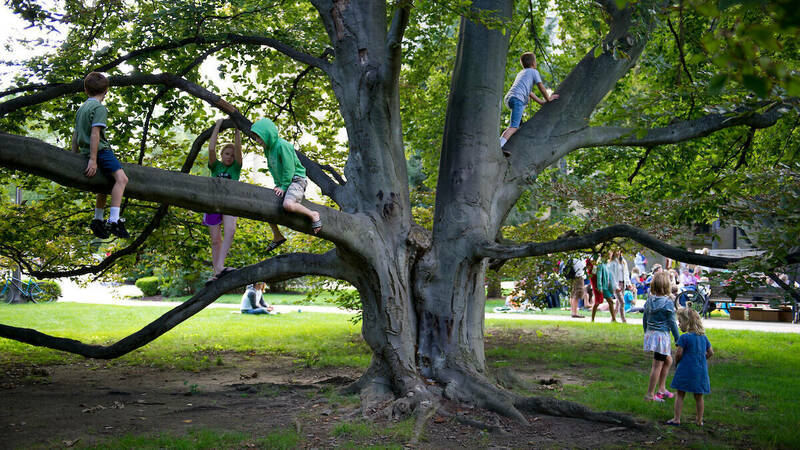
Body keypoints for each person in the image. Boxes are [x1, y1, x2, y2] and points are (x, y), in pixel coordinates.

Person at [72, 72, 130, 239]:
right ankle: (114, 220)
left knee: (106, 184)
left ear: (85, 90)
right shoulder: (99, 108)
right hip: (101, 151)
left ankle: (98, 219)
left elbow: (75, 135)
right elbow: (95, 134)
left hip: (85, 150)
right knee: (122, 179)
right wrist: (93, 158)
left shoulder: (82, 108)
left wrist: (73, 155)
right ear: (106, 91)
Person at [250, 118, 322, 237]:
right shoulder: (268, 149)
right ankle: (277, 236)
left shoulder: (282, 145)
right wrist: (278, 185)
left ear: (267, 133)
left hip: (296, 179)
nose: (257, 140)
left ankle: (313, 214)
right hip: (285, 182)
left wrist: (283, 187)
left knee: (288, 205)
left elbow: (289, 169)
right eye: (255, 137)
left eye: (259, 137)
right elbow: (273, 168)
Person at [203, 119, 242, 284]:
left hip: (230, 204)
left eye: (232, 155)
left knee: (231, 230)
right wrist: (218, 126)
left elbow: (238, 149)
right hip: (213, 204)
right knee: (215, 240)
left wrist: (237, 129)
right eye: (227, 153)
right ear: (222, 154)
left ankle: (220, 267)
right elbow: (211, 148)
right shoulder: (215, 166)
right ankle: (216, 272)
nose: (230, 157)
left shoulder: (235, 168)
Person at [499, 52, 559, 156]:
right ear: (533, 63)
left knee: (516, 124)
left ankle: (514, 131)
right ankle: (498, 146)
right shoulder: (534, 72)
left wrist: (541, 102)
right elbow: (541, 87)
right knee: (513, 127)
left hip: (510, 98)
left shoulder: (522, 73)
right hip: (517, 99)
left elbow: (529, 93)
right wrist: (548, 99)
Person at [667, 306, 713, 426]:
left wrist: (677, 362)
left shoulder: (684, 337)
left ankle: (677, 418)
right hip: (700, 370)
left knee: (680, 394)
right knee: (699, 396)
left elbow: (679, 353)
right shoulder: (703, 337)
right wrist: (702, 359)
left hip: (685, 370)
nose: (679, 324)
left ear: (687, 322)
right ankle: (699, 420)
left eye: (680, 322)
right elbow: (710, 352)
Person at [642, 271, 680, 402]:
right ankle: (650, 394)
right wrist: (677, 338)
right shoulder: (668, 303)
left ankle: (662, 389)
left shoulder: (649, 300)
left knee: (668, 360)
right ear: (666, 286)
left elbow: (645, 318)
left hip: (651, 334)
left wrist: (646, 332)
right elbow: (672, 323)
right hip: (661, 337)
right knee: (657, 364)